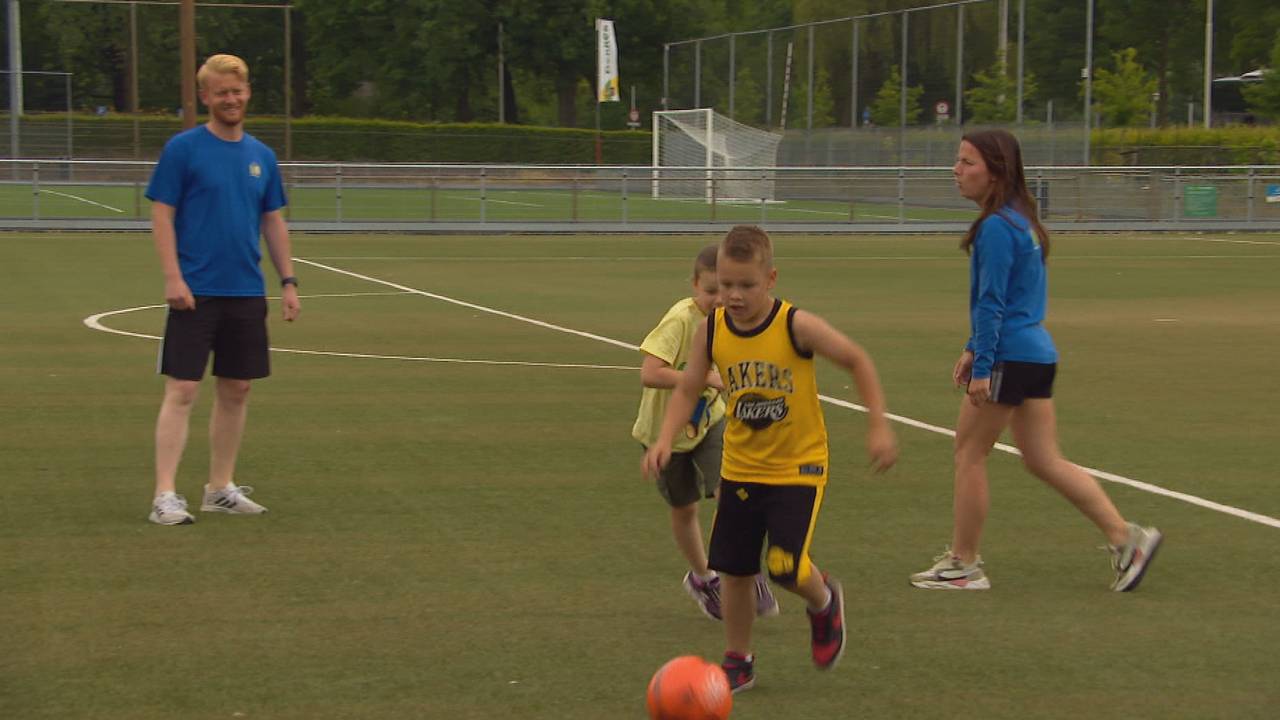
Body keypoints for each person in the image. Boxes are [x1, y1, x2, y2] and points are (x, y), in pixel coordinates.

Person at [642, 226, 898, 693]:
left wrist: (878, 424)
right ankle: (738, 658)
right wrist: (664, 438)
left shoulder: (794, 325)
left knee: (784, 565)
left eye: (746, 285)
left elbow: (856, 359)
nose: (733, 296)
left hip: (798, 466)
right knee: (735, 569)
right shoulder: (711, 330)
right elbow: (689, 385)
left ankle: (823, 601)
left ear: (771, 278)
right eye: (724, 285)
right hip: (741, 466)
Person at [909, 129, 1162, 591]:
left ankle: (964, 565)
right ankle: (1127, 538)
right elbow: (1007, 299)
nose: (956, 170)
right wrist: (973, 348)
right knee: (1043, 459)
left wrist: (982, 365)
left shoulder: (996, 228)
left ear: (995, 171)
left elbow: (992, 303)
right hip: (1034, 354)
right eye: (958, 161)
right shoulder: (1018, 219)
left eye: (967, 162)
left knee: (969, 453)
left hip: (1010, 357)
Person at [145, 54, 300, 525]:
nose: (230, 99)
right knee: (184, 388)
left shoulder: (261, 156)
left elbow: (272, 221)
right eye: (220, 93)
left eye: (237, 91)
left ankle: (220, 488)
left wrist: (288, 281)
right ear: (205, 97)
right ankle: (165, 495)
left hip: (245, 290)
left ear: (247, 92)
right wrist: (173, 276)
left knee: (237, 387)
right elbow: (162, 214)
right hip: (197, 289)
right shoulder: (183, 149)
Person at [632, 245, 778, 622]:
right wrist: (703, 378)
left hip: (710, 422)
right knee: (684, 509)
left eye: (727, 290)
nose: (720, 299)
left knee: (732, 491)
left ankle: (741, 567)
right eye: (711, 291)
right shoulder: (681, 319)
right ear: (695, 284)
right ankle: (702, 577)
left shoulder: (734, 320)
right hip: (666, 432)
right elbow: (650, 372)